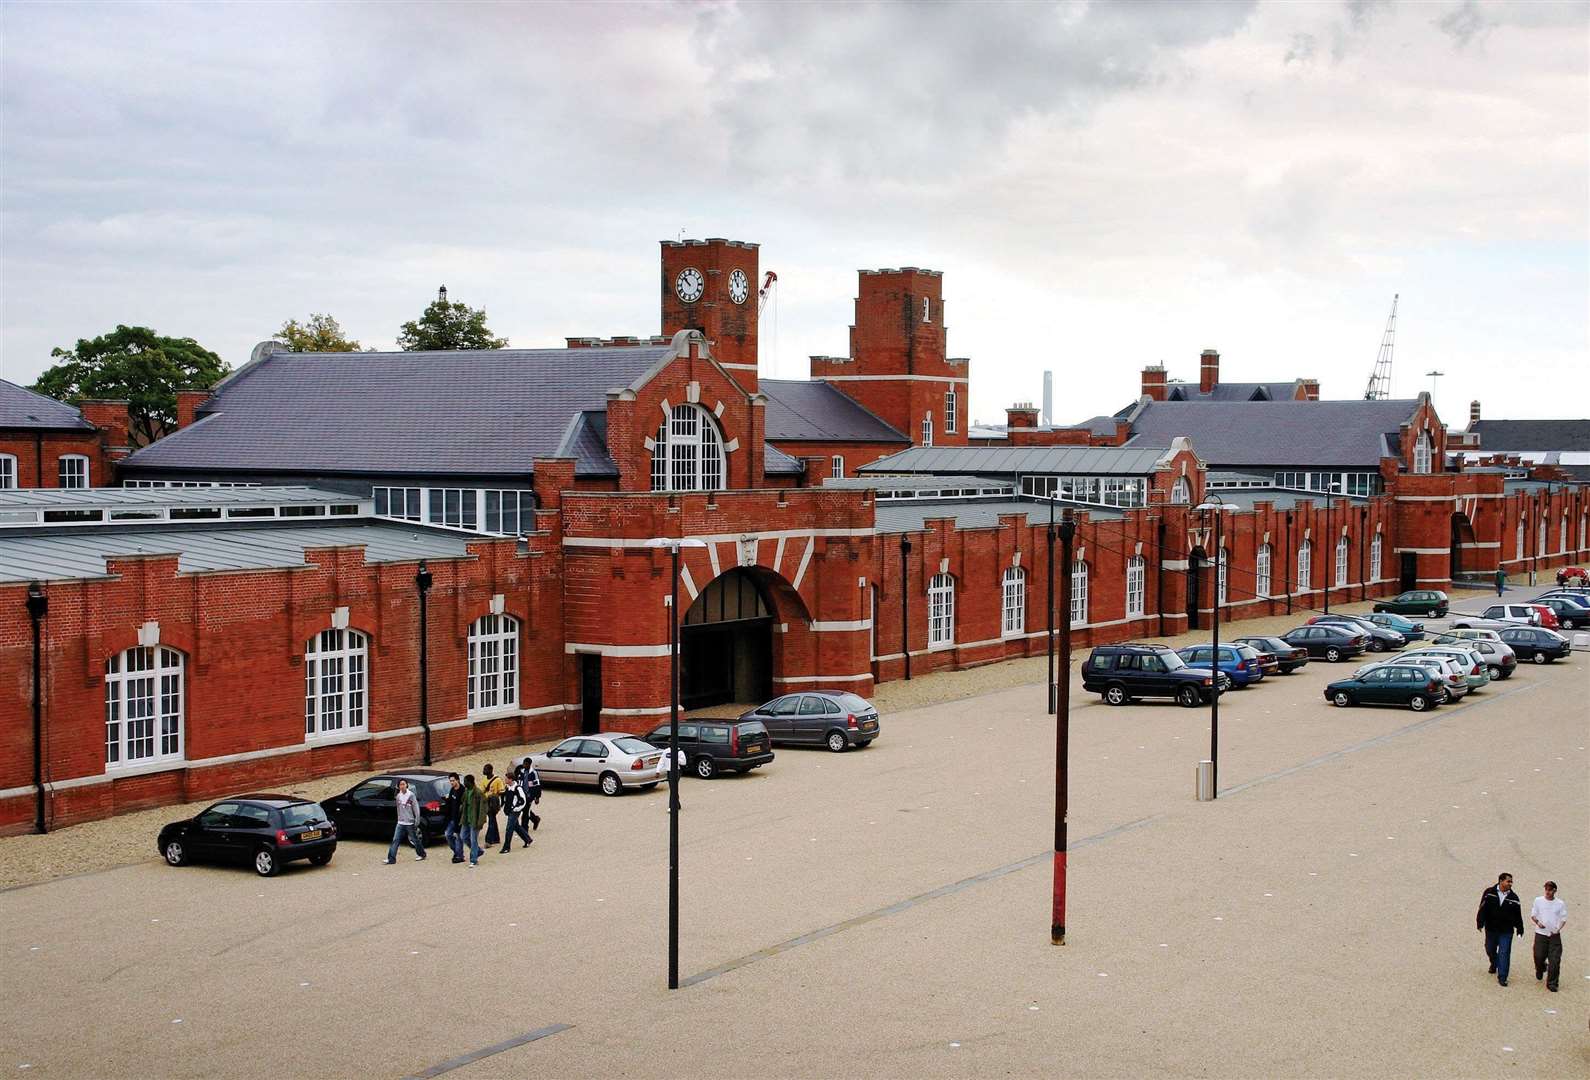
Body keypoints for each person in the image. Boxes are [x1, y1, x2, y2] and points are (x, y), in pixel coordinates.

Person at [1477, 872, 1525, 985]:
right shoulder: (1489, 893)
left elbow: (1518, 915)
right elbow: (1482, 908)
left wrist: (1520, 928)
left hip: (1506, 931)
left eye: (1511, 881)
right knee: (1489, 949)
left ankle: (1502, 977)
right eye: (1508, 881)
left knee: (1504, 953)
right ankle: (1494, 963)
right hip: (1491, 929)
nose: (1510, 884)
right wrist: (1480, 922)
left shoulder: (1514, 898)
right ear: (1501, 881)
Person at [1530, 881, 1567, 992]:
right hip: (1541, 934)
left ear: (1554, 890)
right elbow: (1533, 914)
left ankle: (1552, 983)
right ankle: (1540, 968)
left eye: (1550, 889)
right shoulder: (1538, 901)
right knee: (1538, 956)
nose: (1547, 891)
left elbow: (1563, 918)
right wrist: (1538, 923)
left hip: (1554, 935)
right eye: (1546, 889)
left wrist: (1558, 929)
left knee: (1555, 960)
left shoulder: (1560, 903)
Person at [384, 778, 427, 864]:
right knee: (395, 840)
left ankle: (422, 854)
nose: (402, 786)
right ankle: (391, 859)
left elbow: (416, 808)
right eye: (400, 785)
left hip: (410, 822)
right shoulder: (398, 796)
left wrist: (417, 820)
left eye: (404, 784)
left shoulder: (411, 795)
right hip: (400, 822)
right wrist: (399, 818)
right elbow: (398, 809)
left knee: (415, 839)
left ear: (407, 785)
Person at [499, 775, 534, 853]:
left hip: (514, 811)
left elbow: (523, 800)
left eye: (506, 778)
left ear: (511, 779)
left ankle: (506, 847)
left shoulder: (518, 788)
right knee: (516, 826)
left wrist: (515, 809)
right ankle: (528, 839)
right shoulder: (507, 787)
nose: (505, 780)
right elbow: (505, 798)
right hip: (510, 810)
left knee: (509, 828)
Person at [458, 774, 485, 867]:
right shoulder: (466, 792)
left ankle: (473, 859)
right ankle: (478, 851)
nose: (464, 783)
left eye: (465, 781)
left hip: (475, 821)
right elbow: (463, 803)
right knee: (463, 837)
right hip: (466, 819)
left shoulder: (478, 793)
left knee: (473, 840)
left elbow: (482, 809)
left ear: (470, 782)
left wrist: (480, 822)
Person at [441, 773, 465, 863]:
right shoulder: (452, 790)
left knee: (459, 837)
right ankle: (457, 852)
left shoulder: (463, 791)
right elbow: (450, 803)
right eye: (450, 781)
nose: (451, 782)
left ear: (457, 780)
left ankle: (459, 856)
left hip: (459, 819)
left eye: (453, 780)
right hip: (451, 818)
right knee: (448, 835)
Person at [481, 763, 505, 846]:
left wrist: (501, 804)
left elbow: (502, 792)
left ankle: (488, 840)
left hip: (494, 802)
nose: (483, 771)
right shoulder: (484, 779)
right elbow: (482, 791)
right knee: (493, 820)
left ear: (490, 770)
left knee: (491, 820)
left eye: (485, 769)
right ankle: (496, 838)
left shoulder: (498, 780)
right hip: (487, 802)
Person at [521, 756, 542, 831]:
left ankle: (524, 828)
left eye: (526, 764)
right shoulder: (522, 771)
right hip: (522, 794)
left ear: (529, 764)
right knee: (524, 809)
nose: (524, 765)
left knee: (525, 812)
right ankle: (535, 819)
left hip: (530, 795)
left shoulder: (534, 773)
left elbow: (537, 785)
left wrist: (537, 797)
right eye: (523, 763)